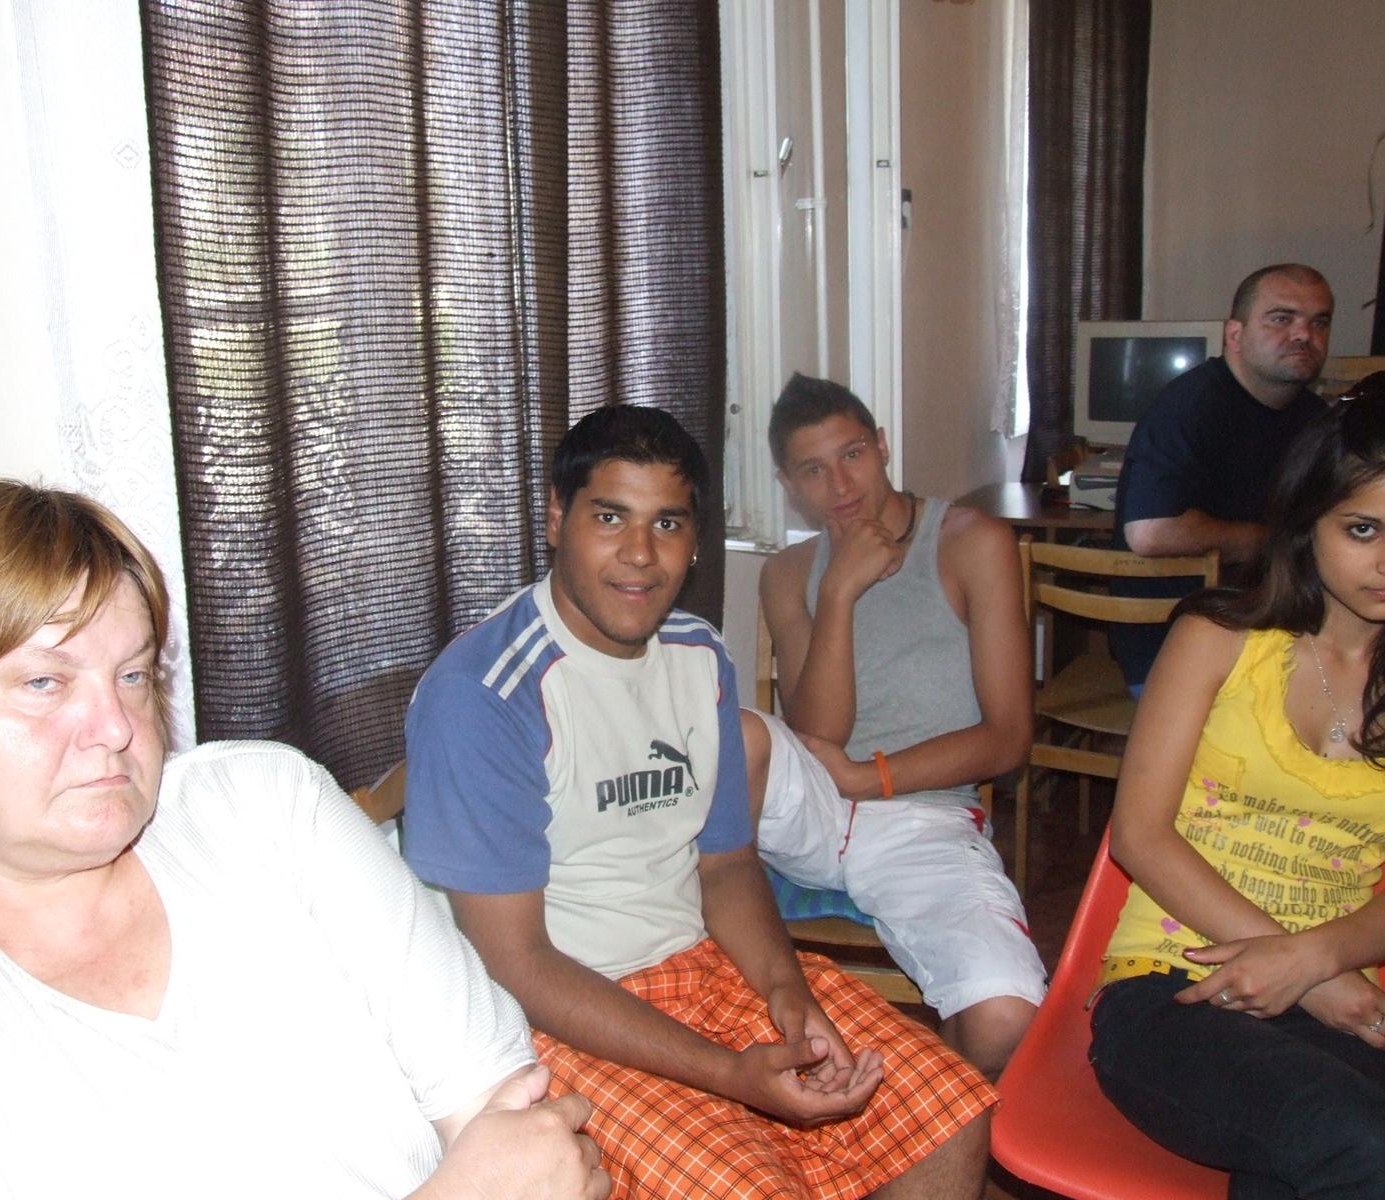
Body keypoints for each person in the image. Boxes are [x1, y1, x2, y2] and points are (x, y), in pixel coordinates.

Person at [0, 480, 608, 1200]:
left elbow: (514, 1120)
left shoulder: (267, 806)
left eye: (133, 675)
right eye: (43, 682)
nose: (116, 727)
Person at [403, 405, 994, 1199]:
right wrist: (729, 1074)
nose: (640, 554)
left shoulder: (698, 653)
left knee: (949, 1117)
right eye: (609, 517)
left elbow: (726, 864)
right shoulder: (485, 695)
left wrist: (787, 994)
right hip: (563, 1014)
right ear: (556, 517)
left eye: (668, 523)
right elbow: (517, 964)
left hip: (702, 967)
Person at [1092, 377, 1385, 1198]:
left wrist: (1317, 961)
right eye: (1362, 529)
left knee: (1336, 1147)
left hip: (1336, 989)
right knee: (1360, 1143)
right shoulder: (1218, 636)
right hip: (1171, 985)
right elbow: (1139, 835)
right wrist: (1313, 977)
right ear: (1306, 523)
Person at [744, 373, 1043, 1077]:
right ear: (789, 485)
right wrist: (840, 590)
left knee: (1005, 1018)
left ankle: (921, 1117)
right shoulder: (788, 572)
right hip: (808, 807)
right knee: (742, 733)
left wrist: (866, 778)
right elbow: (818, 731)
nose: (840, 485)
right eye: (813, 470)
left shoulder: (970, 542)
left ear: (882, 446)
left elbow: (1008, 738)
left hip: (921, 816)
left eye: (852, 455)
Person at [1110, 263, 1334, 689]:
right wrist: (1270, 541)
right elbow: (1151, 533)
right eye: (1281, 319)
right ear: (1234, 335)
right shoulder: (1190, 406)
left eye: (1319, 322)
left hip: (1271, 633)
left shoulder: (1315, 418)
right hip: (1175, 652)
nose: (1304, 335)